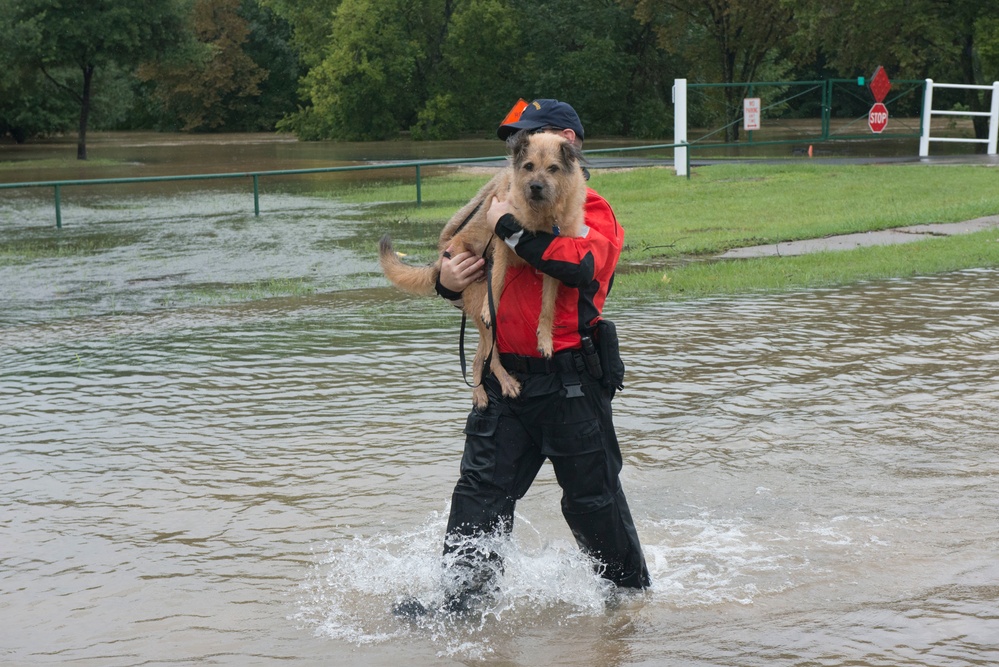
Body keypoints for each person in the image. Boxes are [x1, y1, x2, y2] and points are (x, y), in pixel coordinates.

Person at [433, 99, 650, 611]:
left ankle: (629, 607)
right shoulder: (500, 203)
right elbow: (460, 255)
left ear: (565, 143)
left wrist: (510, 226)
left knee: (593, 502)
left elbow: (581, 265)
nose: (524, 158)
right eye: (519, 150)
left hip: (570, 381)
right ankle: (461, 608)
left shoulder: (591, 207)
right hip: (504, 382)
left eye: (532, 140)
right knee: (478, 496)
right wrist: (446, 279)